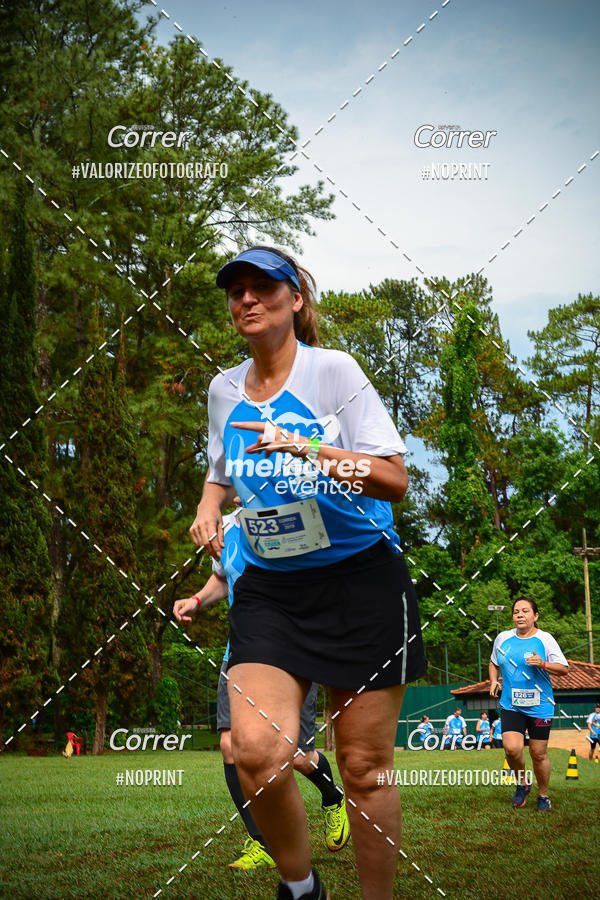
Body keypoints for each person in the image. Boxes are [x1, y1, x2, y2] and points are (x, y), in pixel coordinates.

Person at [190, 246, 427, 900]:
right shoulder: (224, 389)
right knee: (255, 750)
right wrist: (210, 507)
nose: (246, 299)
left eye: (262, 287)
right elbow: (219, 469)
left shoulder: (332, 374)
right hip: (271, 589)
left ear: (296, 299)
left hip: (359, 582)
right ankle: (301, 889)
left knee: (363, 766)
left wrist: (307, 446)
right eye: (235, 290)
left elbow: (393, 480)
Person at [174, 509, 349, 870]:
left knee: (295, 756)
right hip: (240, 651)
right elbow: (223, 580)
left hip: (294, 648)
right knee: (230, 746)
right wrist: (195, 600)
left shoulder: (297, 511)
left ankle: (332, 796)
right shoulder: (225, 525)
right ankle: (262, 840)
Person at [489, 596, 569, 812]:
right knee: (511, 749)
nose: (520, 615)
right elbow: (493, 662)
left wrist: (542, 663)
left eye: (525, 611)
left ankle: (544, 795)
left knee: (538, 753)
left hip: (540, 705)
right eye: (516, 612)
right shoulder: (503, 638)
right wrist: (494, 681)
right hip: (511, 704)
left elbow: (564, 669)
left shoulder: (545, 639)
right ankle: (523, 783)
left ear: (535, 615)